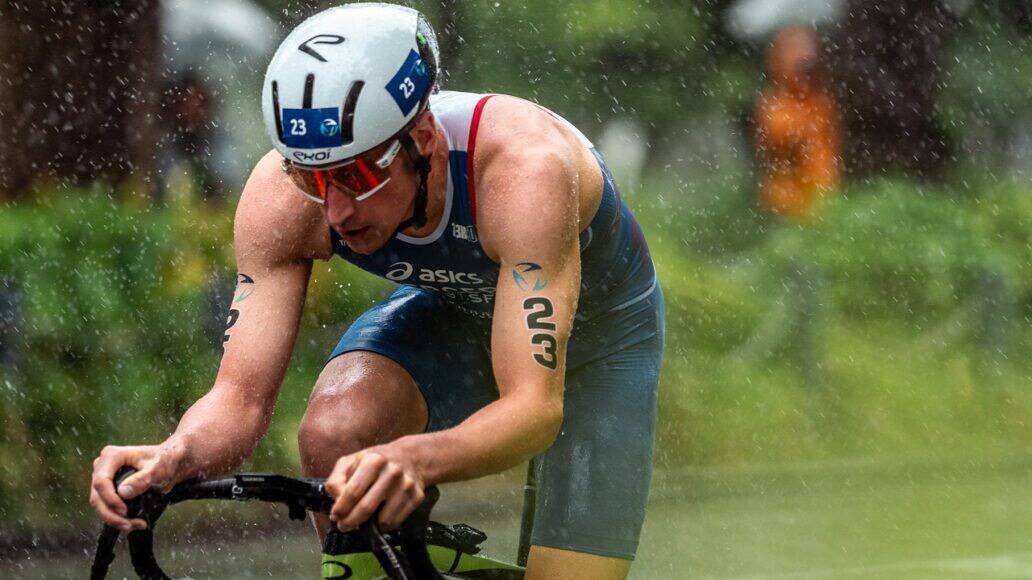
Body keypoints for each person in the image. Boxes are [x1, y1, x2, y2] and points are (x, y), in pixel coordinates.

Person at [88, 4, 663, 578]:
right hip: (454, 308)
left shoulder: (524, 170)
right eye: (310, 177)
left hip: (603, 339)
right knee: (337, 433)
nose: (335, 209)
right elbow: (239, 400)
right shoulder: (283, 200)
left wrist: (409, 458)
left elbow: (532, 408)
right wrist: (174, 455)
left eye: (358, 175)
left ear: (424, 137)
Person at [754, 26, 841, 218]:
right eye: (794, 50)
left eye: (807, 50)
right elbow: (780, 140)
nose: (803, 57)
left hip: (825, 200)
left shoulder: (821, 100)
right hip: (788, 206)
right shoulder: (775, 105)